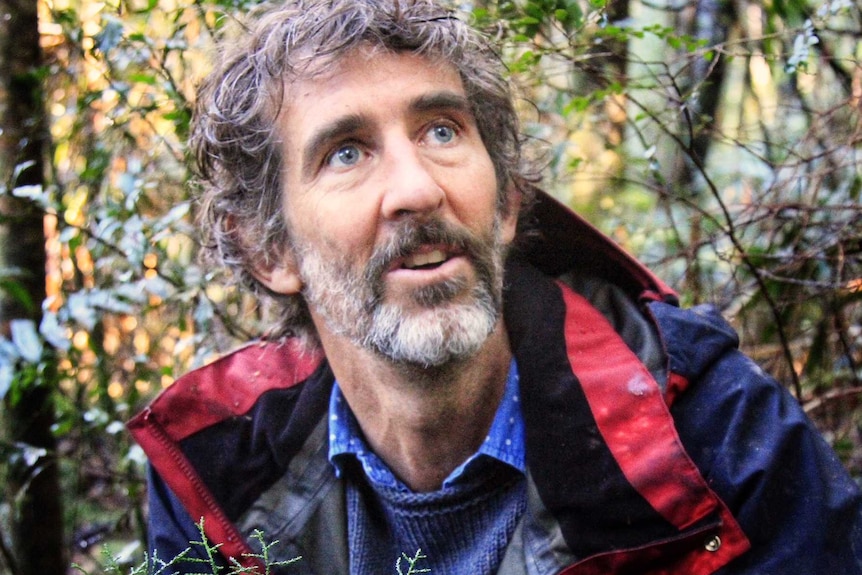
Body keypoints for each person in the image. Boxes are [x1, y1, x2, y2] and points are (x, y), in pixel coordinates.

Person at [127, 1, 862, 573]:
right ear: (267, 248)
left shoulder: (710, 429)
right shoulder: (220, 472)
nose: (416, 188)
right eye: (346, 152)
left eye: (442, 131)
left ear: (507, 201)